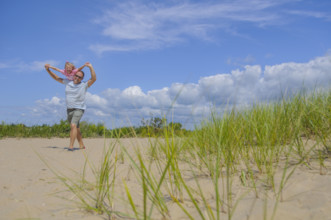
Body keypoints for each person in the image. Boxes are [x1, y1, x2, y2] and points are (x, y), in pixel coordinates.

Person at [45, 62, 97, 151]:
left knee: (73, 125)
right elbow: (56, 78)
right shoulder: (68, 82)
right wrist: (48, 70)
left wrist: (91, 67)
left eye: (79, 77)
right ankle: (81, 144)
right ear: (73, 75)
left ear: (82, 78)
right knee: (76, 127)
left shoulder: (84, 85)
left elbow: (93, 79)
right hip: (69, 109)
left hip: (79, 109)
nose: (77, 78)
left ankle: (71, 146)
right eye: (76, 76)